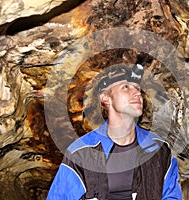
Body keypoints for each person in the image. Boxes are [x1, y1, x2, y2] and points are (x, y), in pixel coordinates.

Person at [47, 64, 182, 200]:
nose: (137, 93)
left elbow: (172, 196)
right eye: (126, 87)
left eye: (138, 88)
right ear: (106, 98)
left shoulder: (159, 150)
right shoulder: (82, 153)